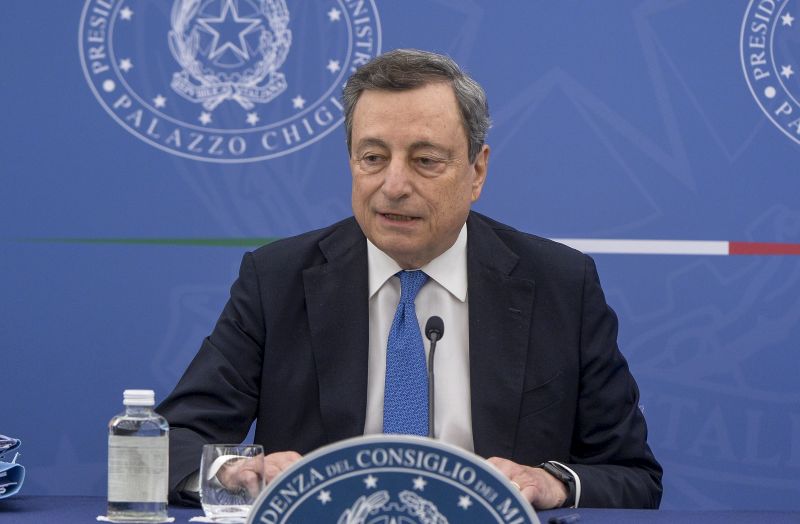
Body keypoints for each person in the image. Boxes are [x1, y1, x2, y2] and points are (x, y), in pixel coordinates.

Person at [157, 48, 663, 510]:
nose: (394, 185)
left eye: (425, 161)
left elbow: (633, 477)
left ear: (477, 171)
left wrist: (554, 484)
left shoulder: (561, 285)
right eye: (373, 158)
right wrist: (233, 473)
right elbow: (172, 441)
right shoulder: (277, 280)